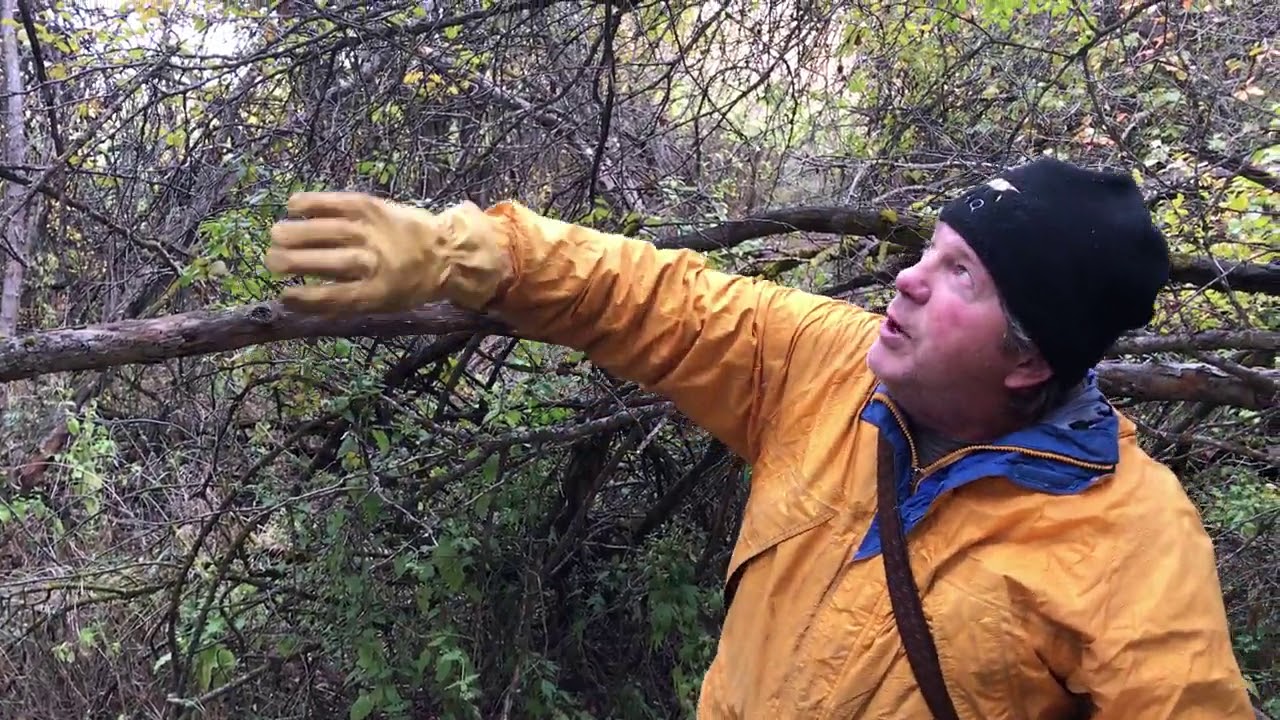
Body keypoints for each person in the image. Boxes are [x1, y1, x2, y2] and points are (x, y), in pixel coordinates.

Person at [263, 157, 1257, 718]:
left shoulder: (1131, 541)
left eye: (961, 275)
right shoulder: (828, 367)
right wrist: (467, 251)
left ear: (1028, 359)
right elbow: (657, 299)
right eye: (931, 249)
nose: (907, 279)